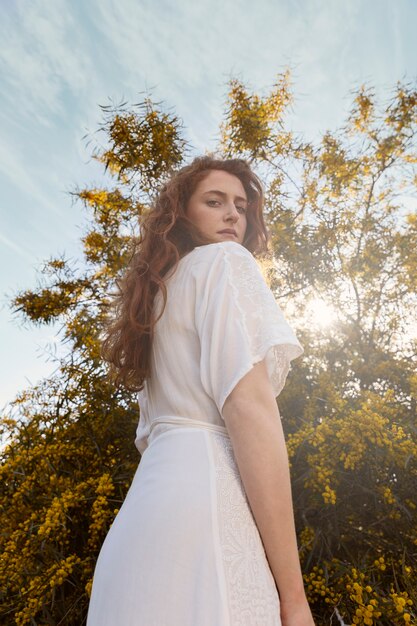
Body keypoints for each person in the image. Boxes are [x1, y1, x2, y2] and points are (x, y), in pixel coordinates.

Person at [86, 155, 316, 626]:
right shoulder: (226, 262)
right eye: (215, 201)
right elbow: (250, 412)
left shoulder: (155, 302)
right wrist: (294, 598)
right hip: (204, 508)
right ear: (182, 213)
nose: (234, 214)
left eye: (241, 204)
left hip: (140, 524)